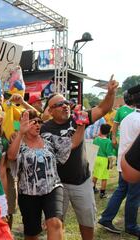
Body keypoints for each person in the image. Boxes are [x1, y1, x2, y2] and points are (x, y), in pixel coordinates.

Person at [40, 76, 118, 240]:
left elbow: (103, 109)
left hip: (81, 180)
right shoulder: (45, 129)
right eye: (59, 104)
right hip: (57, 184)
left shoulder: (78, 117)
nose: (65, 106)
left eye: (66, 102)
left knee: (87, 221)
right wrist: (81, 125)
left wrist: (111, 93)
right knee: (56, 224)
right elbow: (68, 147)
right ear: (50, 111)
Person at [7, 110, 85, 240]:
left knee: (55, 223)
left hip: (52, 187)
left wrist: (81, 124)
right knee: (32, 233)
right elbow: (11, 156)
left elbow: (73, 143)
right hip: (27, 192)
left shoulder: (49, 139)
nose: (38, 125)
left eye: (39, 122)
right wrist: (20, 133)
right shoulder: (18, 141)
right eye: (33, 122)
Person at [98, 105, 140, 237]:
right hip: (134, 164)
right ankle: (131, 226)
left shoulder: (128, 117)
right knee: (133, 196)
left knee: (121, 191)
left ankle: (106, 218)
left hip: (124, 161)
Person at [92, 124, 116, 198]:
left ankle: (92, 189)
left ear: (100, 130)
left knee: (95, 175)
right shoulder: (108, 142)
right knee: (104, 177)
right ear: (108, 132)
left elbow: (93, 149)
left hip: (96, 158)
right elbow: (109, 154)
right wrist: (111, 163)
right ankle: (102, 193)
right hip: (104, 160)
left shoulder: (96, 139)